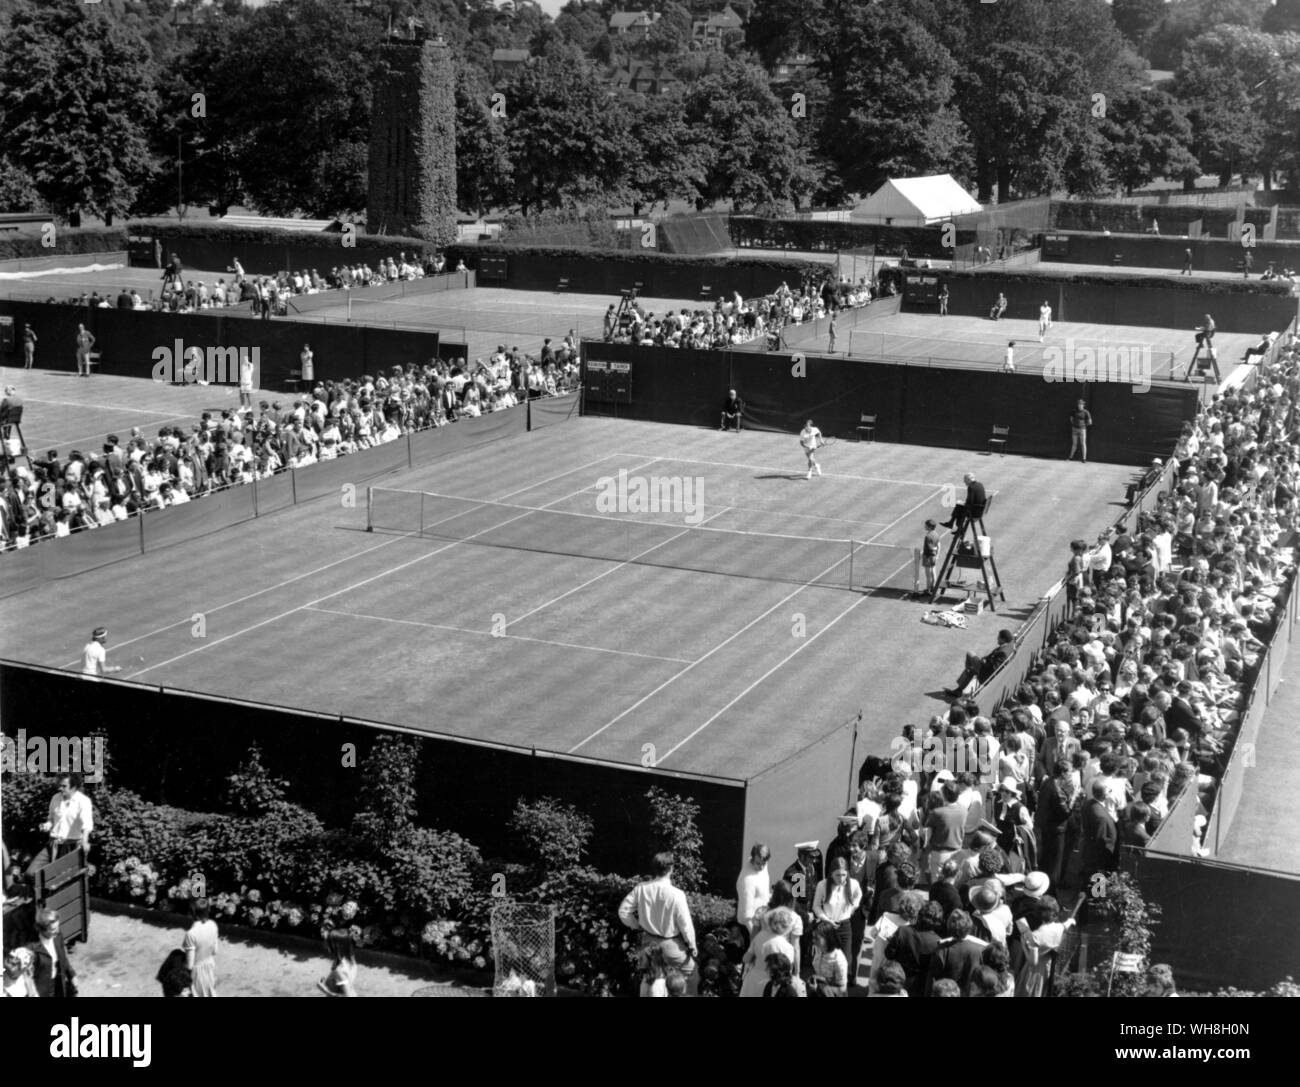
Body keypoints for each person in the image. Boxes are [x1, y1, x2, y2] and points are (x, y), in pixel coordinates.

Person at [618, 852, 698, 996]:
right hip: (670, 944)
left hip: (648, 942)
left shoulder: (641, 888)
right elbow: (685, 924)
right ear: (671, 868)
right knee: (692, 973)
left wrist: (637, 926)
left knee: (649, 978)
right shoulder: (677, 894)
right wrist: (692, 945)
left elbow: (623, 912)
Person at [811, 856, 861, 965]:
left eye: (844, 875)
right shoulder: (822, 885)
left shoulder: (853, 884)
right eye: (838, 875)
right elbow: (816, 906)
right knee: (828, 961)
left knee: (846, 960)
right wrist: (826, 919)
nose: (841, 878)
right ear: (831, 874)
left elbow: (859, 895)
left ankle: (845, 981)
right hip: (828, 926)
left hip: (845, 926)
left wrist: (853, 908)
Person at [739, 906, 798, 997]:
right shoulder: (788, 948)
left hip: (753, 980)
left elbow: (746, 959)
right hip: (771, 984)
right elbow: (787, 972)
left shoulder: (760, 936)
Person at [944, 628, 1014, 698]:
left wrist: (984, 662)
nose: (997, 639)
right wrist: (986, 659)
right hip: (987, 669)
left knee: (970, 654)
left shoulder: (1003, 652)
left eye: (998, 637)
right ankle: (959, 690)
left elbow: (993, 668)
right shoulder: (1008, 646)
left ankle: (968, 670)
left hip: (986, 674)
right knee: (971, 669)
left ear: (1004, 639)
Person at [28, 909, 76, 998]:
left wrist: (71, 975)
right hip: (42, 990)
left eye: (58, 927)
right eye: (53, 929)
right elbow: (28, 976)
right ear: (42, 930)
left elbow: (63, 958)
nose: (57, 931)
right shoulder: (32, 948)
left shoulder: (57, 936)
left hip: (59, 983)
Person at [184, 897, 220, 997]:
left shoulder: (191, 934)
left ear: (192, 914)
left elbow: (190, 964)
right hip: (210, 966)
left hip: (197, 973)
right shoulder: (213, 925)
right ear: (208, 910)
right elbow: (215, 951)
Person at [736, 843, 771, 933]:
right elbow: (746, 915)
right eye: (758, 863)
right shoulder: (747, 880)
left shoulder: (763, 866)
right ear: (752, 859)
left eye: (764, 863)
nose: (761, 867)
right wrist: (755, 938)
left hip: (761, 923)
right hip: (749, 927)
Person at [807, 922, 848, 996]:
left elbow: (842, 990)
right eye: (813, 937)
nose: (813, 941)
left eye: (816, 938)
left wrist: (820, 989)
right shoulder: (818, 948)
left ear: (828, 938)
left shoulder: (839, 960)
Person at [317, 929, 358, 997]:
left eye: (328, 942)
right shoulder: (351, 960)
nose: (326, 944)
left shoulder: (339, 971)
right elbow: (344, 983)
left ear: (335, 946)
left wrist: (324, 989)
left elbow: (348, 995)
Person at [1067, 399, 1092, 463]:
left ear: (1083, 405)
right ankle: (1070, 457)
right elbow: (1071, 419)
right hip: (1074, 429)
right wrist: (1075, 425)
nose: (1080, 405)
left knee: (1083, 444)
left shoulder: (1086, 412)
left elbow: (1090, 422)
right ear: (1077, 405)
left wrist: (1083, 425)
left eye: (1081, 404)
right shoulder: (1074, 411)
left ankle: (1084, 459)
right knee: (1074, 444)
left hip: (1082, 430)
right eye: (1079, 404)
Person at [922, 519, 941, 594]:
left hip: (928, 557)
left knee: (928, 575)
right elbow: (939, 545)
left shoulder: (927, 536)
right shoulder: (936, 534)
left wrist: (923, 555)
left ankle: (928, 589)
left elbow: (929, 548)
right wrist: (937, 555)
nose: (924, 526)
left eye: (926, 525)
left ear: (929, 527)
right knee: (933, 572)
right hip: (934, 556)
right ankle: (934, 588)